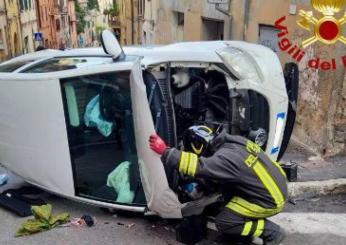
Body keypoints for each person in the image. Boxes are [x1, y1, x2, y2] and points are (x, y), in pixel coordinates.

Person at [149, 125, 288, 245]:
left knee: (225, 222)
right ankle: (243, 226)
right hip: (278, 183)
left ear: (198, 147)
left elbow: (198, 166)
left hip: (270, 200)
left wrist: (166, 152)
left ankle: (271, 231)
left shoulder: (223, 160)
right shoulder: (233, 141)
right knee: (225, 198)